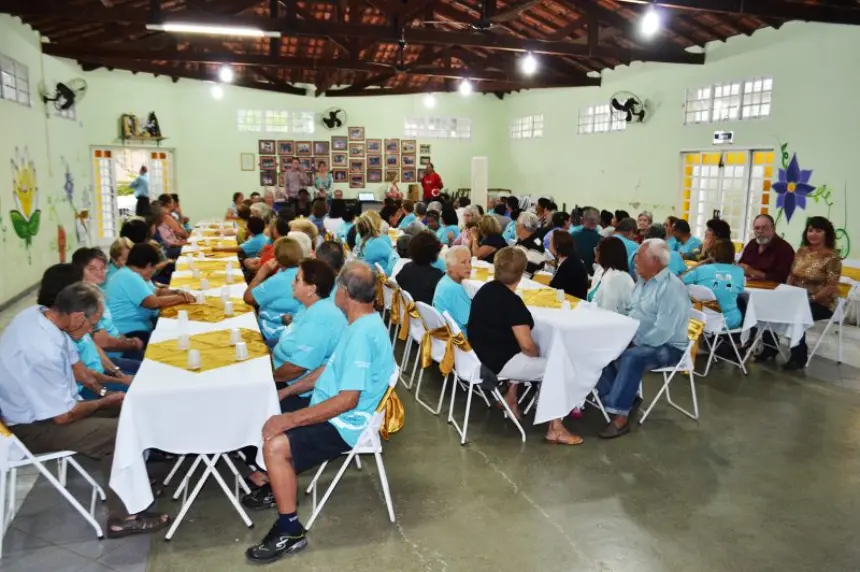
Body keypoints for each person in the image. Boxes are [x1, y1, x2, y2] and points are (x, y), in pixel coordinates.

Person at [243, 262, 394, 563]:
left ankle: (290, 530)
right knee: (266, 409)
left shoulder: (363, 334)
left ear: (344, 292)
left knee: (276, 444)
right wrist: (286, 393)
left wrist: (290, 418)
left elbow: (348, 400)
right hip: (332, 409)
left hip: (346, 424)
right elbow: (328, 369)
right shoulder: (358, 323)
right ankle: (277, 483)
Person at [0, 281, 172, 537]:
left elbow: (79, 369)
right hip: (34, 427)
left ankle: (135, 484)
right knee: (119, 433)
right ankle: (123, 517)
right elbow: (63, 416)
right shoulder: (41, 349)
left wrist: (110, 390)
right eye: (92, 324)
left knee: (132, 409)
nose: (93, 330)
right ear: (78, 316)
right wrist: (104, 402)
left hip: (53, 410)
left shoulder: (42, 317)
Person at [468, 248, 581, 445]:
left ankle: (511, 400)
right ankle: (555, 428)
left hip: (479, 353)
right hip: (499, 361)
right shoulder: (512, 302)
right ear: (521, 274)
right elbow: (527, 346)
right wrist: (537, 353)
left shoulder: (486, 290)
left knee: (522, 353)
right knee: (557, 368)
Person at [596, 239, 691, 439]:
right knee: (600, 348)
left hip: (669, 346)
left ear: (655, 262)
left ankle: (620, 418)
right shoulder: (642, 282)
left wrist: (633, 341)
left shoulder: (671, 289)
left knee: (632, 357)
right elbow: (631, 310)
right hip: (638, 338)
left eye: (640, 256)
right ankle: (622, 399)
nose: (634, 260)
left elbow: (662, 332)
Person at [782, 217, 842, 370]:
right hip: (797, 298)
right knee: (773, 307)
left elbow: (830, 287)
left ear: (826, 234)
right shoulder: (802, 251)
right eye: (810, 230)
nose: (813, 234)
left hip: (821, 302)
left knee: (797, 314)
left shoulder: (832, 257)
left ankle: (799, 356)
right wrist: (788, 292)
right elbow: (792, 275)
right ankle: (769, 348)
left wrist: (811, 299)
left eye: (818, 231)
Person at [105, 243, 194, 343]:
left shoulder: (132, 273)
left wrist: (176, 292)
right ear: (148, 265)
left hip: (141, 326)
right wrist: (181, 298)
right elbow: (153, 302)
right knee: (173, 339)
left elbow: (157, 292)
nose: (153, 271)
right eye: (153, 268)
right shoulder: (129, 276)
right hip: (129, 332)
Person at [72, 248, 145, 363]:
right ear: (79, 271)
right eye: (92, 269)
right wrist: (131, 345)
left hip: (119, 346)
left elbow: (111, 328)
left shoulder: (98, 291)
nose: (99, 272)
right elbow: (103, 342)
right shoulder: (84, 299)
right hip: (109, 359)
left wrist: (127, 340)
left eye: (102, 268)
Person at [245, 237, 304, 343]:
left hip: (274, 332)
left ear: (276, 258)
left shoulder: (277, 280)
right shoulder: (306, 273)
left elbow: (248, 298)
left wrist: (261, 274)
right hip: (298, 330)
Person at [682, 240, 746, 330]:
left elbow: (681, 280)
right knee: (741, 303)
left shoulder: (701, 270)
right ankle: (740, 341)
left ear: (713, 254)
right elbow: (739, 291)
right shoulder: (739, 271)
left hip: (702, 319)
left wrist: (700, 264)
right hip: (730, 321)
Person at [738, 213, 795, 283]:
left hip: (772, 290)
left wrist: (754, 272)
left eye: (764, 228)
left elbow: (782, 278)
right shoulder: (752, 244)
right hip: (748, 285)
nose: (760, 231)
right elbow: (741, 265)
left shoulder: (784, 249)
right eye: (757, 228)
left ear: (773, 229)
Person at [395, 232, 444, 304]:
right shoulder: (436, 275)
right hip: (426, 313)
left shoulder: (407, 267)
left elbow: (398, 280)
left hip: (407, 309)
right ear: (434, 252)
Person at [588, 237, 635, 313]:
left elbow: (608, 311)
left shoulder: (618, 278)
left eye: (597, 249)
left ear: (606, 253)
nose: (595, 252)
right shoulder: (600, 270)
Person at [433, 246, 472, 335]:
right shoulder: (455, 289)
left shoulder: (444, 280)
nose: (469, 266)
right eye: (463, 262)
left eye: (470, 261)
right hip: (458, 340)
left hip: (443, 333)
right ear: (450, 266)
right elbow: (470, 321)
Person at [548, 231, 588, 299]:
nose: (549, 245)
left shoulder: (570, 265)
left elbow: (557, 288)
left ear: (557, 245)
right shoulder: (568, 259)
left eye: (550, 242)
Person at [513, 211, 546, 277]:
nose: (515, 226)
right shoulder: (522, 240)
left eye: (517, 224)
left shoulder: (536, 247)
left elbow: (526, 274)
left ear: (522, 226)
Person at [572, 207, 602, 273]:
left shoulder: (572, 236)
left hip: (573, 273)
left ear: (582, 219)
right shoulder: (603, 240)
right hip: (594, 276)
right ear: (598, 221)